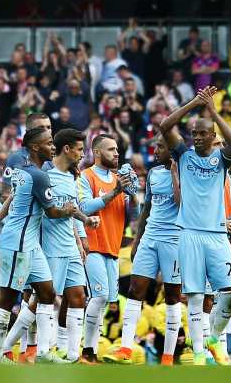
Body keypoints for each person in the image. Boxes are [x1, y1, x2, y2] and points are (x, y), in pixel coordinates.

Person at [0, 128, 87, 364]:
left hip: (31, 244)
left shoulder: (26, 170)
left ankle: (43, 353)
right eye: (48, 143)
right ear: (35, 148)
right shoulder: (39, 176)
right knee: (7, 298)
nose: (52, 147)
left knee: (47, 292)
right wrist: (71, 210)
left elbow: (11, 197)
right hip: (18, 243)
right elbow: (53, 213)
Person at [159, 86, 231, 365]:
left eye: (202, 133)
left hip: (217, 235)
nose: (196, 137)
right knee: (194, 297)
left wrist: (213, 112)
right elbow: (165, 125)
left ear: (212, 136)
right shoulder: (183, 155)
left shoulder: (221, 160)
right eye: (194, 133)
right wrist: (194, 102)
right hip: (189, 234)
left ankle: (214, 338)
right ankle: (198, 355)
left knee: (230, 293)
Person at [104, 135, 182, 365]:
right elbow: (147, 207)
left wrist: (176, 172)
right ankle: (125, 349)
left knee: (173, 296)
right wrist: (138, 240)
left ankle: (167, 356)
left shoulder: (186, 173)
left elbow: (181, 203)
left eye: (160, 146)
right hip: (150, 237)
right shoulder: (153, 174)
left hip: (174, 239)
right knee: (135, 290)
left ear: (172, 149)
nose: (155, 150)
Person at [77, 134, 135, 364]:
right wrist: (115, 193)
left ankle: (91, 352)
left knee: (106, 302)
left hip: (112, 248)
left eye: (117, 149)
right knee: (98, 296)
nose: (117, 153)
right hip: (93, 245)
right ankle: (86, 351)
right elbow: (83, 207)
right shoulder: (86, 176)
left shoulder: (118, 179)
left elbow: (134, 216)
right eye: (111, 149)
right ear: (98, 153)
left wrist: (133, 196)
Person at [45, 129, 97, 362]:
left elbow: (72, 210)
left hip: (70, 246)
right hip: (50, 248)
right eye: (79, 149)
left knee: (78, 296)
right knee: (45, 299)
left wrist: (81, 236)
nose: (82, 154)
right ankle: (40, 351)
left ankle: (73, 354)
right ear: (66, 149)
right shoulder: (45, 175)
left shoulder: (70, 177)